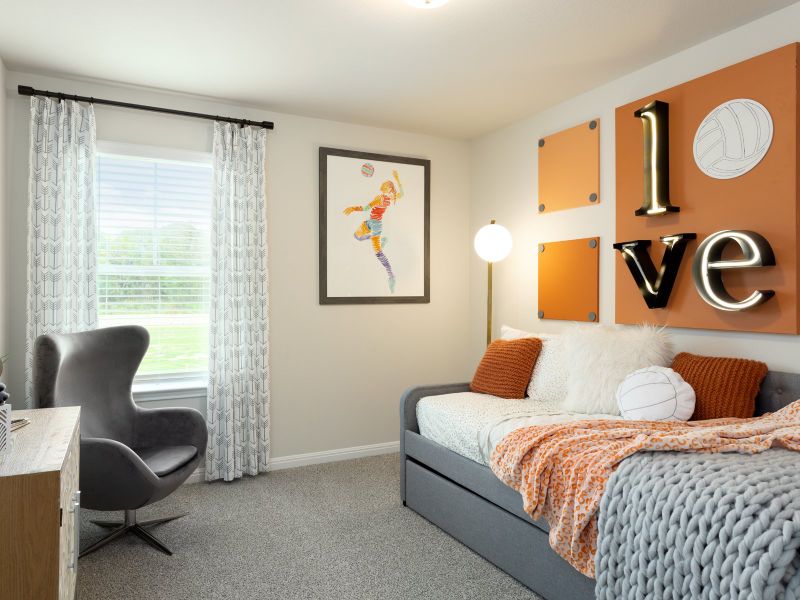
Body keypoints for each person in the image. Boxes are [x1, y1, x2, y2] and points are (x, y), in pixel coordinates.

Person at [343, 169, 404, 293]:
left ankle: (391, 276)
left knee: (378, 254)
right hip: (370, 223)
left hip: (376, 226)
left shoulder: (382, 199)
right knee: (356, 236)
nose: (385, 187)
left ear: (389, 189)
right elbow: (401, 194)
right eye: (386, 186)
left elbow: (366, 207)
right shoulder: (389, 198)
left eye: (388, 187)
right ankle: (383, 240)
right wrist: (397, 179)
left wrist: (353, 208)